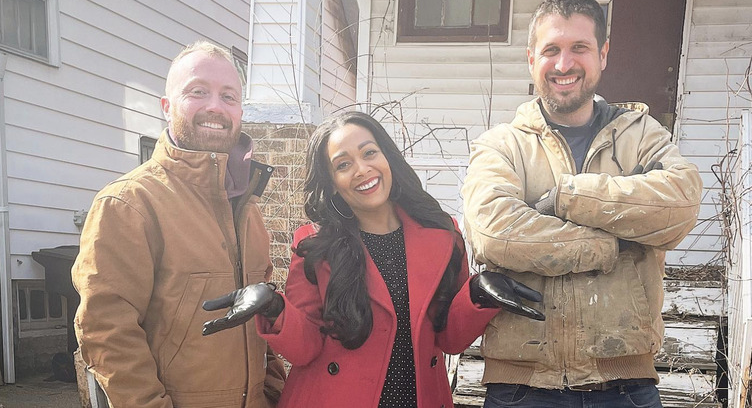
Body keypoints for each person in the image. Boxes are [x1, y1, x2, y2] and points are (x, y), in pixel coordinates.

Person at [201, 111, 545, 408]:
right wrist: (274, 308)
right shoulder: (315, 245)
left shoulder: (443, 235)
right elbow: (305, 349)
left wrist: (477, 294)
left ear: (387, 157)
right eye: (343, 164)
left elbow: (448, 339)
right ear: (332, 183)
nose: (362, 170)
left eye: (369, 153)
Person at [460, 0, 703, 408]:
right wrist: (608, 244)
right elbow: (494, 233)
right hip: (522, 388)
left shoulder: (641, 135)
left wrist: (568, 197)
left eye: (580, 48)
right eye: (551, 49)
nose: (564, 63)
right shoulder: (501, 145)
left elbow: (678, 206)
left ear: (603, 54)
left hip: (626, 387)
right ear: (531, 58)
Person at [72, 41, 286, 408]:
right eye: (198, 92)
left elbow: (258, 328)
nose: (215, 106)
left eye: (229, 96)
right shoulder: (128, 203)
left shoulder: (247, 207)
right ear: (167, 108)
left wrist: (275, 393)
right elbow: (107, 331)